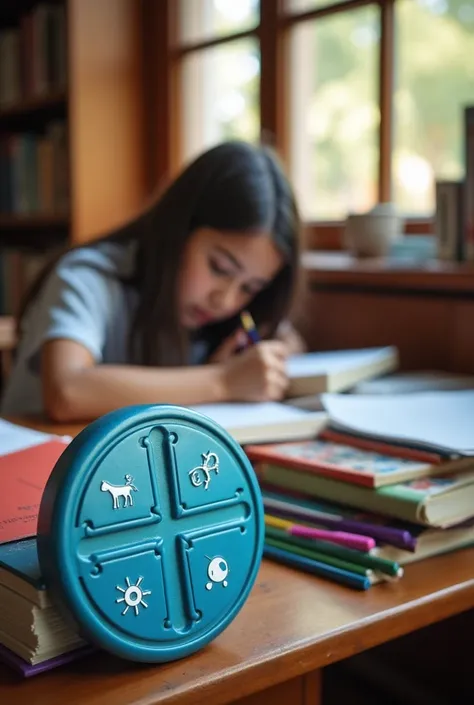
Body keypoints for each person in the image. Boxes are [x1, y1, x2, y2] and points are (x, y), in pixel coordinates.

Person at [1, 140, 306, 422]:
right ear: (179, 229)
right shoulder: (88, 277)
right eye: (219, 267)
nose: (225, 300)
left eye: (250, 287)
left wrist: (271, 357)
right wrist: (222, 379)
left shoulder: (224, 320)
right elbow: (67, 392)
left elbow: (289, 340)